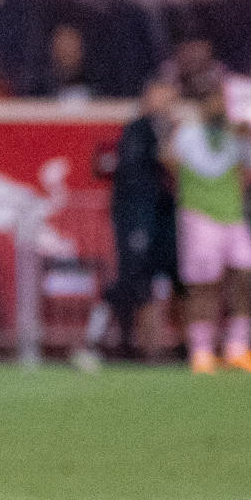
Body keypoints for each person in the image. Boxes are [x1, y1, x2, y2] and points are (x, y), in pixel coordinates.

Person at [74, 76, 179, 369]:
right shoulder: (137, 130)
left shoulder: (163, 128)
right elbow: (138, 176)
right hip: (135, 217)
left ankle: (149, 349)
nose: (167, 101)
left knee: (149, 282)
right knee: (128, 280)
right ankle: (92, 342)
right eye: (162, 94)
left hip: (153, 217)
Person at [170, 77, 251, 375]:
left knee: (246, 274)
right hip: (200, 215)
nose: (221, 105)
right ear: (203, 104)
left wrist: (246, 135)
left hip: (232, 216)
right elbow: (169, 159)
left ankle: (236, 347)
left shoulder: (238, 133)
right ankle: (201, 351)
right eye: (214, 99)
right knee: (203, 283)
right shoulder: (188, 133)